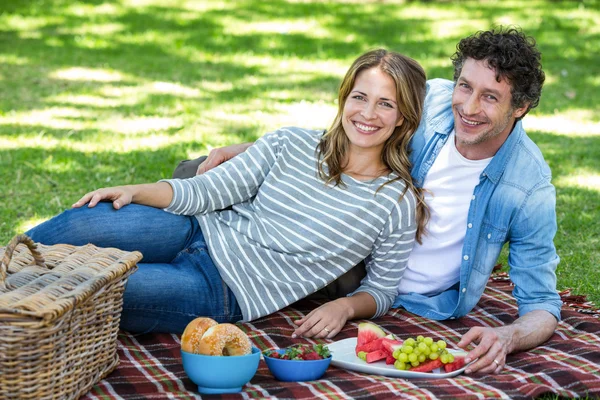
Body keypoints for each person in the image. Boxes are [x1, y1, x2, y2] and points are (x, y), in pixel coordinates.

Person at [193, 27, 562, 375]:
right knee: (196, 174)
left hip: (374, 284)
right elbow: (358, 131)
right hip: (348, 239)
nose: (468, 106)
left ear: (521, 107)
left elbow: (543, 303)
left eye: (490, 97)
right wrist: (251, 150)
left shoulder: (529, 187)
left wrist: (507, 336)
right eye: (464, 86)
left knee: (232, 241)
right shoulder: (430, 100)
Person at [26, 49, 429, 339]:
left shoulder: (395, 202)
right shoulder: (292, 143)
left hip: (223, 288)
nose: (367, 113)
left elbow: (381, 290)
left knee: (89, 288)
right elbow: (204, 192)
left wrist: (344, 307)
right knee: (81, 222)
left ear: (403, 118)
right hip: (192, 230)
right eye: (359, 97)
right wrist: (134, 190)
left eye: (385, 104)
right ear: (344, 99)